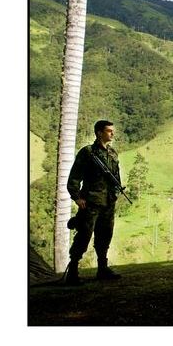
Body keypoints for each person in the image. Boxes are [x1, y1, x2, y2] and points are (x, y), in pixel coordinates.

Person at [64, 120, 123, 285]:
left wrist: (116, 193)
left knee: (105, 236)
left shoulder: (113, 153)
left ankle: (102, 269)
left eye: (112, 131)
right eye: (109, 131)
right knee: (84, 234)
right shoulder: (88, 153)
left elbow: (116, 177)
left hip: (108, 202)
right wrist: (77, 197)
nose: (112, 133)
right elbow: (75, 177)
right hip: (90, 201)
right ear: (99, 133)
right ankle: (73, 272)